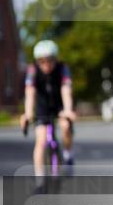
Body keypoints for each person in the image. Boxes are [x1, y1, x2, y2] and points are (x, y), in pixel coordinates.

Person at [19, 40, 77, 175]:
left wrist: (68, 110)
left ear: (55, 59)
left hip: (60, 105)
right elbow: (30, 92)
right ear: (37, 61)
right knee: (40, 141)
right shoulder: (32, 70)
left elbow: (66, 90)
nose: (46, 65)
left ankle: (68, 155)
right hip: (42, 107)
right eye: (42, 61)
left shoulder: (63, 68)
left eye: (49, 60)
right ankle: (40, 179)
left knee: (65, 126)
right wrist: (28, 113)